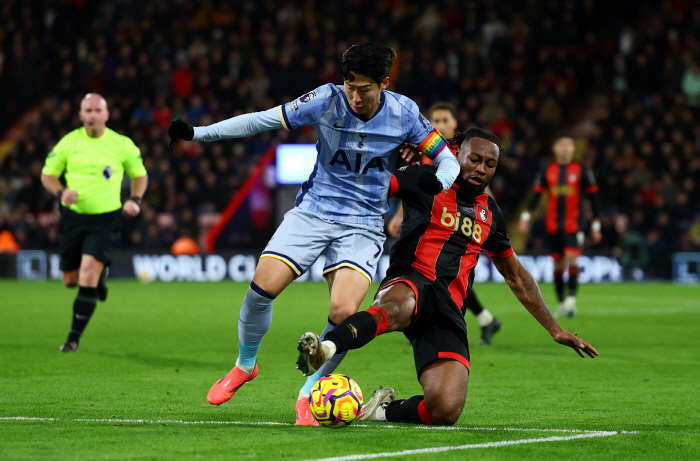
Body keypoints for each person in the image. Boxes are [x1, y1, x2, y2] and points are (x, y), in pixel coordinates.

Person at [166, 43, 461, 425]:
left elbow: (447, 159)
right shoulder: (325, 99)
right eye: (350, 85)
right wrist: (197, 133)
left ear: (384, 83)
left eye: (365, 88)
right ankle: (245, 364)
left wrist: (434, 183)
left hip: (363, 223)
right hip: (314, 211)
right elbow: (261, 120)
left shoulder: (404, 113)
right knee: (261, 287)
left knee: (343, 313)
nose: (355, 96)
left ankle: (310, 393)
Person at [297, 128, 597, 426]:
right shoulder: (427, 181)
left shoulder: (491, 215)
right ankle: (325, 349)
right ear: (458, 154)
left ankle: (382, 409)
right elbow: (374, 185)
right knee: (398, 307)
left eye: (489, 164)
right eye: (474, 159)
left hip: (448, 309)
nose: (481, 169)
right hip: (411, 280)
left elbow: (517, 277)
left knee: (444, 409)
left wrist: (554, 329)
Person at [387, 102, 501, 345]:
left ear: (454, 123)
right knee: (444, 277)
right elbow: (415, 189)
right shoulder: (428, 152)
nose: (439, 125)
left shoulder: (463, 155)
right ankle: (485, 319)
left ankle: (479, 319)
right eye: (435, 121)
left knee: (447, 276)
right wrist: (398, 217)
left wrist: (486, 222)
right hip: (428, 221)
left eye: (444, 120)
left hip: (454, 224)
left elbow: (478, 191)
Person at [41, 93, 147, 352]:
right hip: (73, 217)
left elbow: (140, 175)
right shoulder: (69, 142)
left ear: (106, 115)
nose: (92, 115)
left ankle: (72, 339)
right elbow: (47, 175)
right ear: (81, 115)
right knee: (69, 280)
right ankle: (99, 279)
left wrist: (135, 200)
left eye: (97, 110)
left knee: (87, 274)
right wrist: (60, 193)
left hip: (105, 218)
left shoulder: (121, 144)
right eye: (87, 110)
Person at [518, 133, 601, 317]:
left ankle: (571, 301)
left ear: (573, 149)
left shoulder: (582, 170)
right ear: (554, 148)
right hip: (553, 224)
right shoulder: (547, 170)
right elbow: (536, 196)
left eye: (569, 146)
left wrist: (595, 225)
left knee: (572, 258)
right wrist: (525, 217)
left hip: (575, 223)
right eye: (562, 145)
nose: (565, 149)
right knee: (558, 265)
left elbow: (594, 199)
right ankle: (562, 301)